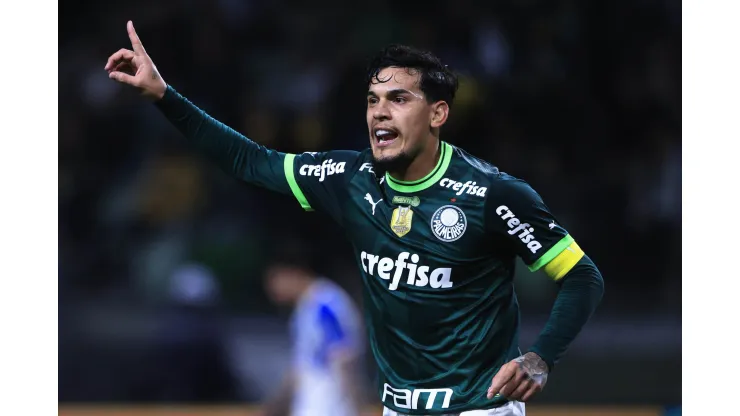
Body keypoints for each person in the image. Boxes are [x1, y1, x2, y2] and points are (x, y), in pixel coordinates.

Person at [105, 21, 605, 416]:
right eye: (372, 100)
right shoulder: (349, 178)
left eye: (398, 99)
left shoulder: (493, 194)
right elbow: (251, 161)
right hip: (397, 409)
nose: (379, 113)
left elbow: (582, 277)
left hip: (479, 408)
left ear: (438, 114)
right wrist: (165, 97)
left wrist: (540, 358)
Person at [260, 249, 366, 416]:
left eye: (275, 280)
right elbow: (302, 364)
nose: (272, 290)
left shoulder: (327, 304)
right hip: (311, 404)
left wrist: (358, 406)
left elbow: (344, 357)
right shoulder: (305, 307)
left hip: (330, 405)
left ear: (293, 273)